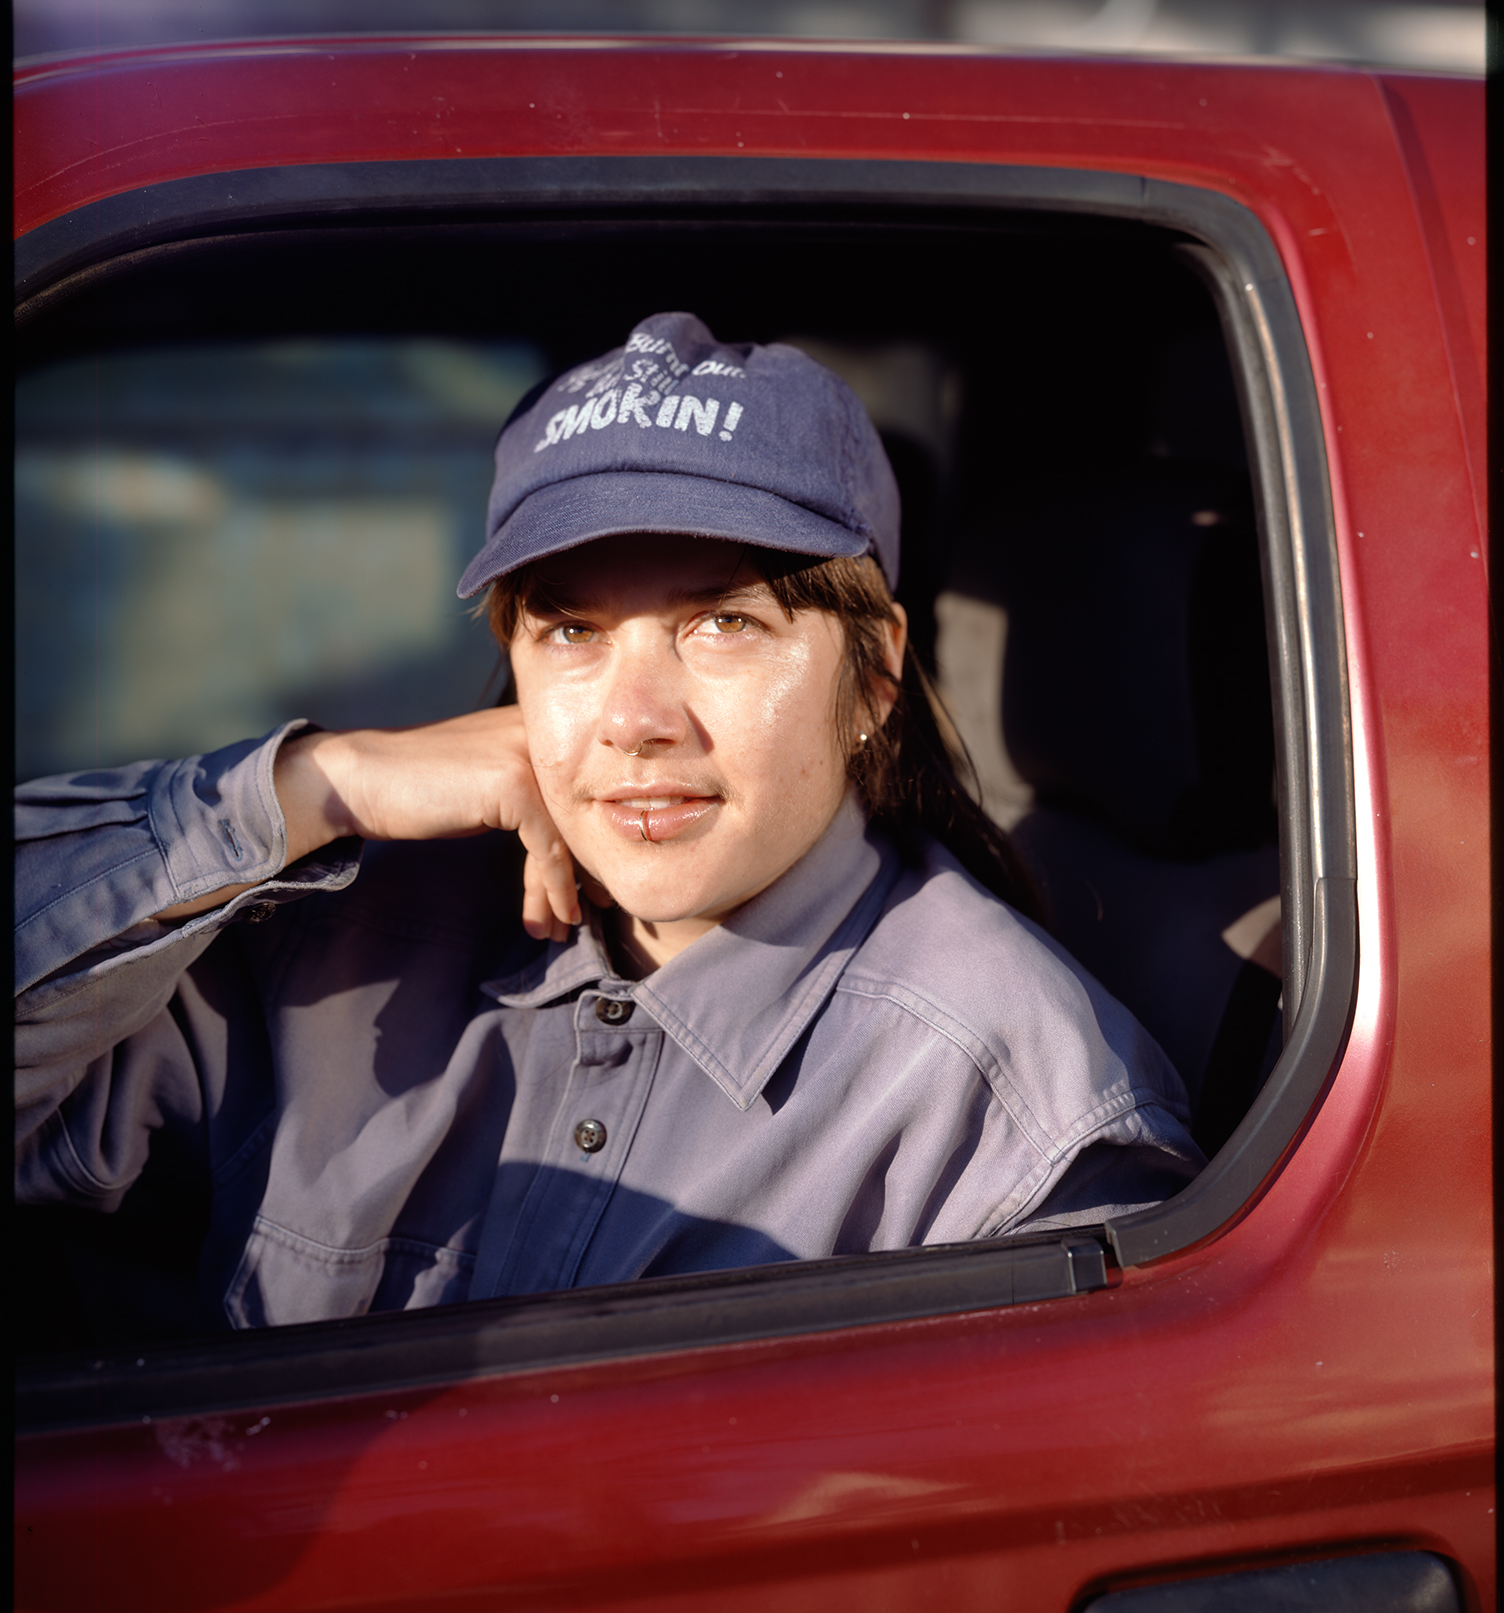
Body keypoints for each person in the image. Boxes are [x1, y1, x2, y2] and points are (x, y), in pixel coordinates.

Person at [15, 312, 1202, 1335]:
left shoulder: (1010, 1121)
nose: (633, 722)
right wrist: (317, 787)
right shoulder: (334, 937)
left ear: (874, 676)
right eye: (572, 632)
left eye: (723, 624)